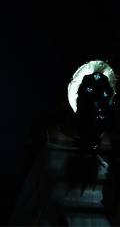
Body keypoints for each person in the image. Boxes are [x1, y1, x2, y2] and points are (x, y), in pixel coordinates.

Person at [12, 60, 120, 225]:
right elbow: (31, 193)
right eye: (90, 92)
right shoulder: (50, 137)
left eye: (103, 96)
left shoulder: (107, 147)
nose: (96, 105)